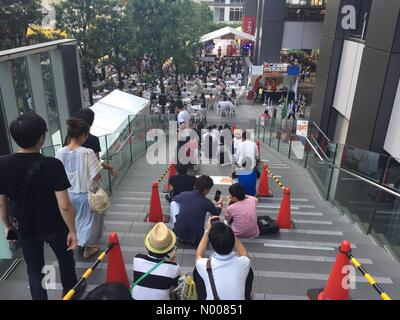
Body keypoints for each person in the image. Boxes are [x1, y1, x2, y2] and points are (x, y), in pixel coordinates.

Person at [0, 112, 79, 300]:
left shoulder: (2, 164)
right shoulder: (53, 165)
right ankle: (70, 294)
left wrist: (8, 227)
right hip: (55, 226)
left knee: (34, 269)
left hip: (24, 226)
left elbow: (2, 203)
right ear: (42, 138)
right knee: (66, 261)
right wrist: (73, 231)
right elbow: (65, 205)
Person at [56, 118, 103, 259]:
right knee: (87, 221)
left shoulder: (60, 152)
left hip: (66, 194)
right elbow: (96, 175)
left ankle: (75, 240)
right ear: (84, 135)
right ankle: (88, 248)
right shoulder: (87, 152)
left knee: (74, 219)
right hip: (83, 193)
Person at [194, 217, 253, 300]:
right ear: (233, 243)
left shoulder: (204, 265)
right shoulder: (244, 263)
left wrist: (207, 232)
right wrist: (230, 233)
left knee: (196, 270)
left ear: (211, 246)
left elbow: (198, 255)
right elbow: (244, 254)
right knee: (249, 270)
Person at [132, 223, 180, 300]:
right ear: (169, 249)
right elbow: (174, 286)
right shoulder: (174, 268)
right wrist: (171, 263)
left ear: (148, 246)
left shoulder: (137, 259)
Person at [173, 176, 223, 246]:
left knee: (175, 203)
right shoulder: (206, 202)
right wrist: (220, 203)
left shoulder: (184, 194)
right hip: (197, 238)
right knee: (209, 212)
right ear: (206, 190)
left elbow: (174, 199)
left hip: (178, 233)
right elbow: (217, 212)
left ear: (195, 185)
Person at [70, 109, 117, 177]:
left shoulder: (70, 138)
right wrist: (109, 167)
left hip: (72, 180)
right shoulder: (93, 139)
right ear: (91, 122)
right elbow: (96, 163)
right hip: (88, 181)